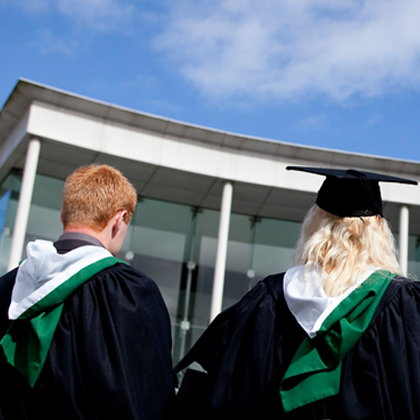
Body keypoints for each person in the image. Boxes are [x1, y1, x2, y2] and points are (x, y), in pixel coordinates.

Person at [174, 166, 419, 420]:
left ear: (315, 224)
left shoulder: (268, 299)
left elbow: (229, 394)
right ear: (378, 229)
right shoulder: (403, 305)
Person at [0, 164, 175, 420]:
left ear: (63, 215)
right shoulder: (132, 293)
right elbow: (147, 398)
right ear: (119, 220)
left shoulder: (9, 287)